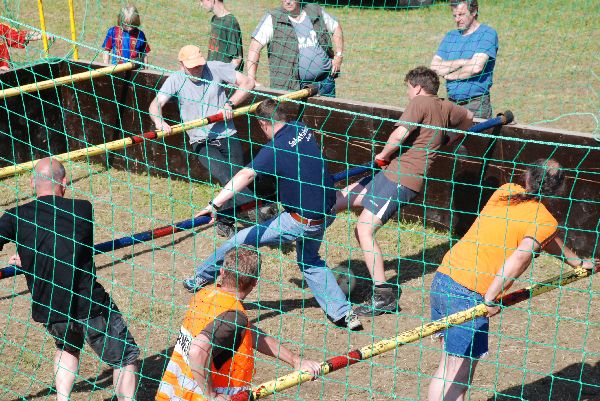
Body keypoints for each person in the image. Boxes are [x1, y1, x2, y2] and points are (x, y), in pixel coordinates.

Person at [427, 158, 599, 401]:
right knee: (459, 378)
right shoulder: (543, 220)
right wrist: (490, 297)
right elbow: (520, 257)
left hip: (444, 277)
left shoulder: (505, 191)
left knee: (448, 366)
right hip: (469, 294)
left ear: (527, 176)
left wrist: (577, 262)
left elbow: (547, 238)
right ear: (560, 189)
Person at [186, 98, 363, 330]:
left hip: (300, 220)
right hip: (325, 213)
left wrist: (215, 205)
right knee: (309, 260)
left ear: (263, 124)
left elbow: (245, 175)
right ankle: (344, 314)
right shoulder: (302, 129)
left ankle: (200, 276)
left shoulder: (274, 148)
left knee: (239, 239)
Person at [334, 66, 473, 316]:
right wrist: (450, 139)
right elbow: (469, 117)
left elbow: (400, 133)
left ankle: (384, 295)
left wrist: (383, 154)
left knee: (364, 229)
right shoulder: (445, 106)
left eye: (408, 89)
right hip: (391, 173)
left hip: (403, 178)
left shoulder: (419, 102)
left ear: (417, 87)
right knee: (339, 198)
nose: (408, 94)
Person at [0, 158, 139, 401]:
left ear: (33, 183)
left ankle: (62, 399)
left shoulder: (15, 216)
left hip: (50, 308)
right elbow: (67, 243)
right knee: (125, 356)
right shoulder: (82, 209)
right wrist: (29, 255)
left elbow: (52, 241)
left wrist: (28, 257)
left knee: (66, 347)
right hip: (89, 306)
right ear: (64, 182)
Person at [156, 246, 322, 400]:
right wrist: (211, 394)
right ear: (255, 282)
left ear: (222, 272)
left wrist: (294, 360)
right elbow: (197, 352)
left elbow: (248, 333)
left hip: (173, 392)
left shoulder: (206, 295)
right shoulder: (234, 316)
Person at [149, 44, 257, 238]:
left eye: (199, 65)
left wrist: (230, 103)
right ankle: (260, 209)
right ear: (181, 65)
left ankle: (225, 221)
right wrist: (159, 121)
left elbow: (248, 83)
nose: (197, 70)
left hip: (228, 134)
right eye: (192, 67)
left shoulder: (215, 68)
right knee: (225, 175)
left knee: (236, 175)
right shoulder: (175, 80)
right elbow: (155, 104)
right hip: (201, 141)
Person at [247, 0, 344, 97]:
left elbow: (336, 27)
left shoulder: (314, 10)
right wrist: (251, 78)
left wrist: (339, 55)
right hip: (291, 88)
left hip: (325, 81)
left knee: (328, 112)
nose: (287, 1)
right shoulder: (273, 18)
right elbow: (254, 48)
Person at [430, 0, 498, 118]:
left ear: (474, 12)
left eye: (461, 14)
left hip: (476, 105)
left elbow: (476, 67)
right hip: (451, 104)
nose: (457, 19)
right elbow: (434, 67)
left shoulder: (487, 34)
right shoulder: (450, 36)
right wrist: (463, 62)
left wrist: (450, 76)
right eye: (454, 15)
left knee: (475, 137)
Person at [201, 0, 244, 71]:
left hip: (223, 78)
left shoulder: (230, 22)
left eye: (202, 0)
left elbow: (237, 59)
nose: (201, 4)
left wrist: (222, 76)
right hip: (211, 73)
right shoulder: (214, 19)